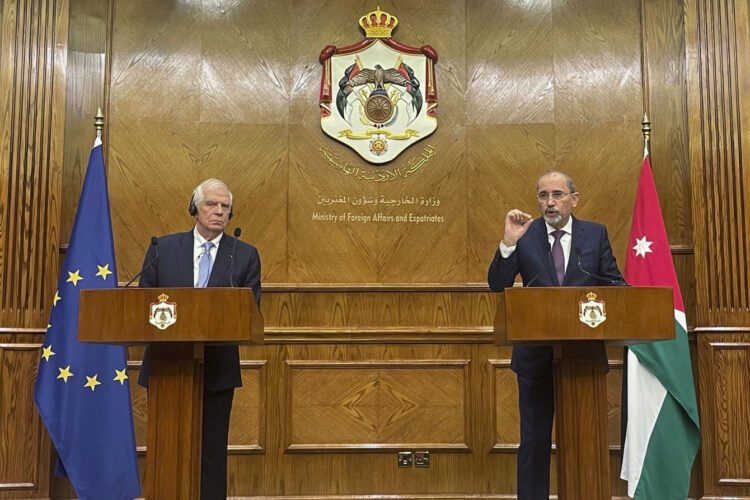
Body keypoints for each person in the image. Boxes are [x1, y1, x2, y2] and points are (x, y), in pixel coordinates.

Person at [487, 171, 625, 500]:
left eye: (558, 194)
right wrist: (508, 242)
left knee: (583, 439)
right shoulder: (525, 233)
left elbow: (615, 285)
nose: (550, 202)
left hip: (584, 359)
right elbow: (497, 284)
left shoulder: (595, 235)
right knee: (534, 441)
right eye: (543, 195)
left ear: (573, 199)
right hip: (535, 357)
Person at [137, 178, 261, 500]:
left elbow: (249, 311)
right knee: (167, 446)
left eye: (225, 207)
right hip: (167, 368)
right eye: (211, 204)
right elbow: (143, 303)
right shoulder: (161, 249)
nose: (219, 212)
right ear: (195, 208)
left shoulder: (244, 255)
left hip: (217, 368)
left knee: (211, 452)